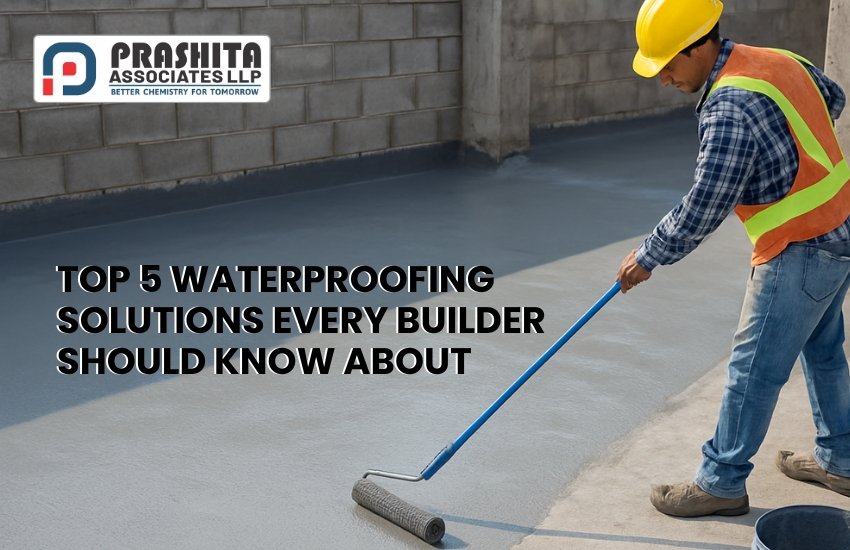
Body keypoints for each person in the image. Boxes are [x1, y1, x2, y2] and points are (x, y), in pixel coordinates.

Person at [618, 0, 850, 517]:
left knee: (752, 370)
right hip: (839, 229)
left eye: (669, 65)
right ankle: (841, 459)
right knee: (824, 350)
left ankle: (721, 482)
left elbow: (705, 204)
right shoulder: (773, 60)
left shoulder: (729, 109)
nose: (664, 79)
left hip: (798, 246)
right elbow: (831, 98)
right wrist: (784, 158)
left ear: (700, 45)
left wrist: (647, 256)